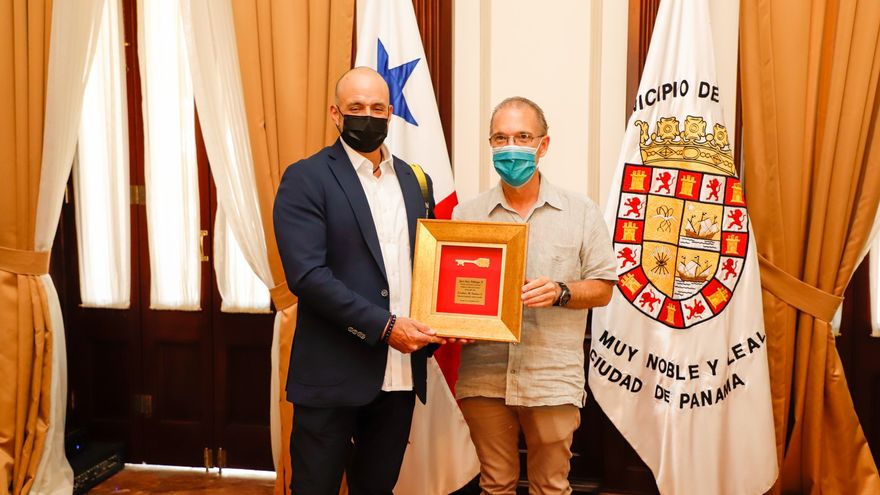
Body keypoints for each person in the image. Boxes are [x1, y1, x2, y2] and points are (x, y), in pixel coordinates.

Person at [273, 67, 453, 495]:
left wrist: (450, 315)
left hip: (399, 376)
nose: (367, 116)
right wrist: (385, 327)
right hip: (332, 374)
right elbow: (307, 276)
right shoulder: (307, 177)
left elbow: (425, 265)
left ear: (390, 113)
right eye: (356, 107)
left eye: (377, 107)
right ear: (336, 114)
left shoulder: (415, 180)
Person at [452, 97, 618, 494]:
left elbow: (604, 288)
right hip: (484, 374)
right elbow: (454, 293)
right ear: (490, 145)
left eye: (523, 137)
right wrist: (454, 320)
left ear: (543, 145)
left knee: (550, 486)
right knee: (495, 484)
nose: (511, 147)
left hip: (551, 377)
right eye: (501, 138)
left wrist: (561, 291)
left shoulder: (581, 212)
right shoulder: (466, 215)